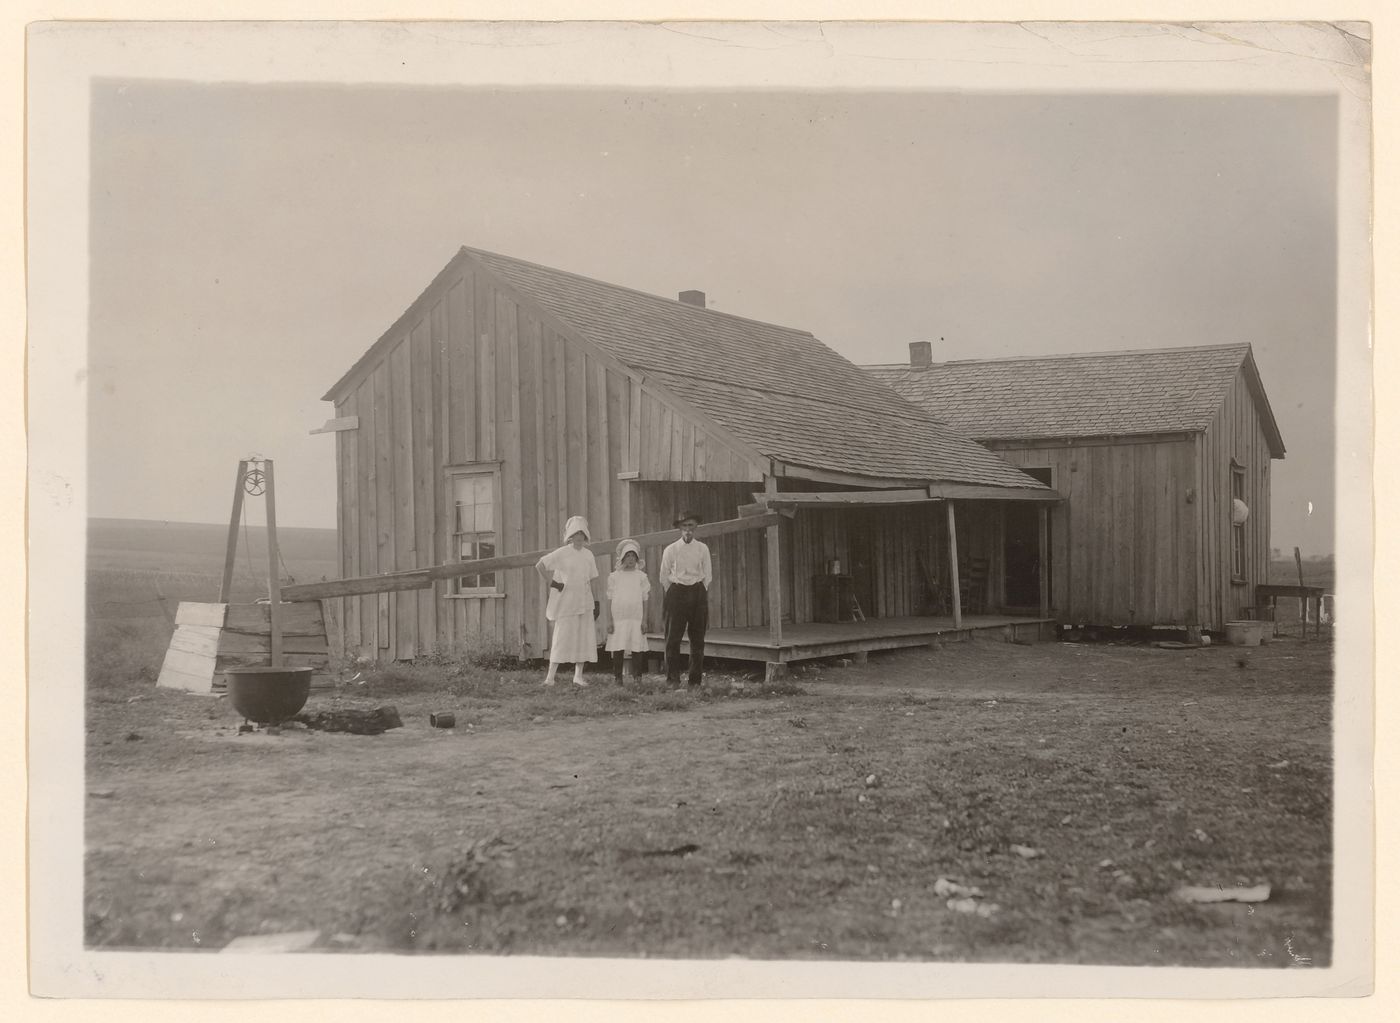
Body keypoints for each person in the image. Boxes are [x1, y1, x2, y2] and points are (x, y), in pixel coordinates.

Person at [536, 515, 599, 687]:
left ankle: (578, 675)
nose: (579, 537)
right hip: (567, 602)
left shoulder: (588, 555)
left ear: (585, 535)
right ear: (570, 535)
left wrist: (596, 601)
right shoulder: (562, 553)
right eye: (575, 533)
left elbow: (592, 579)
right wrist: (553, 583)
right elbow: (540, 565)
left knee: (583, 637)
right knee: (561, 637)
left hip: (585, 601)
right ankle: (550, 677)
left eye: (581, 533)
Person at [660, 510, 711, 688]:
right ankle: (672, 679)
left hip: (697, 593)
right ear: (679, 528)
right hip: (676, 594)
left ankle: (695, 681)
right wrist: (676, 592)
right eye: (684, 526)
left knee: (697, 639)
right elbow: (664, 576)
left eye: (691, 526)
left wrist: (699, 591)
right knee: (672, 638)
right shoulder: (671, 550)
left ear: (695, 527)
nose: (688, 530)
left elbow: (707, 575)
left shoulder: (702, 548)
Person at [604, 538, 651, 683]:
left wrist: (644, 620)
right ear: (623, 558)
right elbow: (609, 598)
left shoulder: (641, 577)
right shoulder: (614, 577)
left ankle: (637, 677)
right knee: (618, 647)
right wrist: (610, 621)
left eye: (633, 556)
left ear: (637, 558)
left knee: (637, 647)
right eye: (628, 556)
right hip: (619, 617)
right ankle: (618, 677)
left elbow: (645, 598)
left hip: (635, 617)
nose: (630, 559)